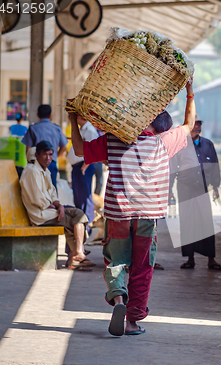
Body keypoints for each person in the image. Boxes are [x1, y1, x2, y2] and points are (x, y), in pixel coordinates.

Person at [68, 81, 196, 337]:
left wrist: (73, 118)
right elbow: (190, 124)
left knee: (115, 262)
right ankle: (132, 322)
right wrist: (189, 91)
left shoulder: (113, 140)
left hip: (118, 214)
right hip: (148, 215)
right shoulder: (162, 143)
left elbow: (80, 149)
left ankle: (118, 301)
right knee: (142, 266)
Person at [19, 141, 95, 270]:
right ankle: (77, 255)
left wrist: (58, 205)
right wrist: (54, 205)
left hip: (48, 210)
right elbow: (38, 200)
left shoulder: (44, 171)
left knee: (76, 215)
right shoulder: (32, 171)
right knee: (75, 219)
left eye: (50, 155)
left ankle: (76, 256)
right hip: (40, 214)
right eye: (45, 155)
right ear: (36, 155)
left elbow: (52, 193)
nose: (48, 158)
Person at [172, 115, 221, 271]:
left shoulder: (208, 144)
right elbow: (173, 169)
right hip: (185, 188)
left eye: (199, 124)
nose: (197, 127)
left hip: (202, 189)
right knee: (187, 222)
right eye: (194, 125)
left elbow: (214, 165)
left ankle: (211, 259)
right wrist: (169, 192)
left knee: (206, 222)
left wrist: (215, 187)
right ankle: (190, 258)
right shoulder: (180, 145)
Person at [21, 104, 68, 189]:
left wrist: (30, 162)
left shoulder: (33, 128)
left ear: (37, 115)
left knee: (38, 189)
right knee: (52, 189)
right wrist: (53, 156)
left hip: (37, 164)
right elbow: (64, 147)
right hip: (52, 163)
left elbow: (28, 149)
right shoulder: (56, 128)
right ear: (50, 115)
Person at [67, 115, 100, 232]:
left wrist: (84, 167)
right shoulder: (81, 130)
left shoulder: (89, 130)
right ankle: (80, 224)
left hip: (84, 166)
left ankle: (86, 225)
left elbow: (93, 150)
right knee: (78, 197)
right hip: (78, 167)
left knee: (85, 196)